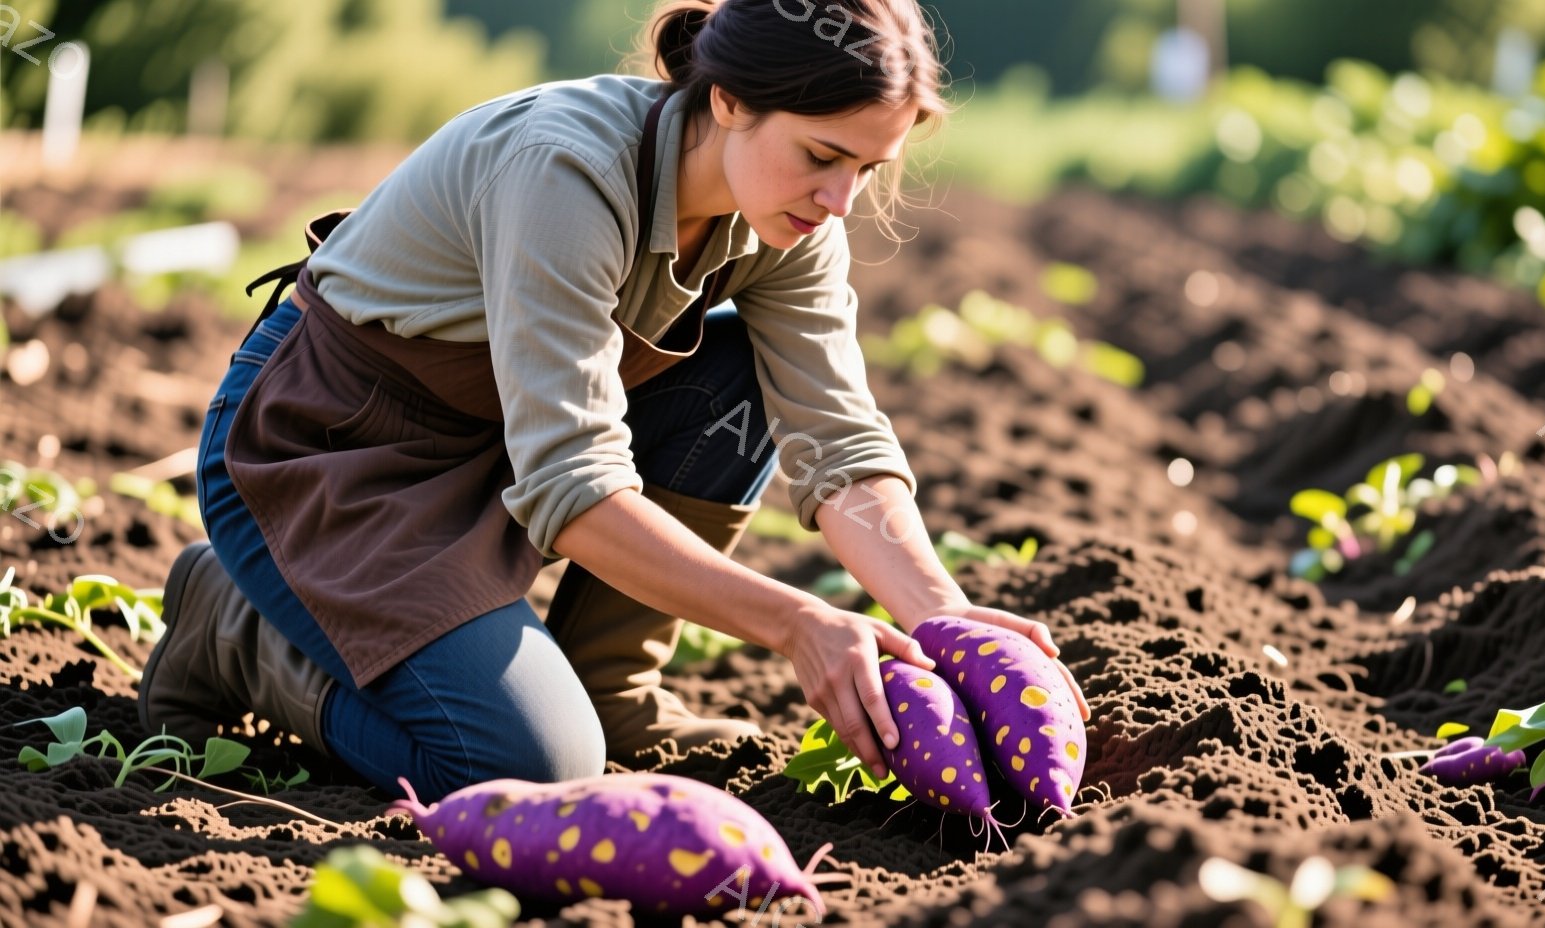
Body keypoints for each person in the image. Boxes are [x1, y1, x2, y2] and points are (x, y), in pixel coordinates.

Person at [138, 0, 1088, 802]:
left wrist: (944, 619)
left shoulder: (789, 222)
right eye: (822, 156)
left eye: (867, 171)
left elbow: (839, 442)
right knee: (525, 766)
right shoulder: (565, 170)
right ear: (729, 100)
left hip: (497, 442)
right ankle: (239, 634)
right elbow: (574, 483)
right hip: (330, 454)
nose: (840, 199)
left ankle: (609, 684)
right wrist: (797, 623)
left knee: (735, 383)